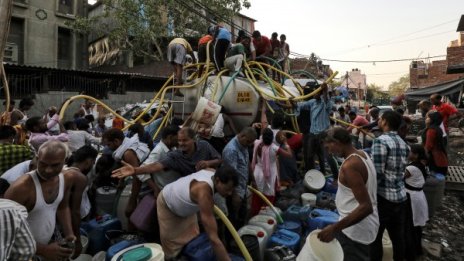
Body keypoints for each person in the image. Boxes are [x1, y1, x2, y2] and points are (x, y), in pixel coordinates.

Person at [4, 141, 75, 261]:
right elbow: (6, 231)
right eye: (43, 164)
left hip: (46, 245)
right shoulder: (21, 188)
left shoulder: (65, 179)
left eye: (55, 165)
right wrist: (43, 250)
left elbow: (63, 207)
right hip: (23, 253)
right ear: (37, 158)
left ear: (65, 161)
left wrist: (69, 233)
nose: (48, 170)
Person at [318, 127, 379, 261]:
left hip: (355, 232)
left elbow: (366, 206)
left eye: (328, 148)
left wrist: (334, 228)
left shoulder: (350, 165)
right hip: (365, 226)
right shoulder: (363, 154)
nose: (329, 152)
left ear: (337, 143)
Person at [157, 164, 237, 260]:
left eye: (232, 190)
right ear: (217, 180)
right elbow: (214, 238)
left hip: (185, 204)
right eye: (227, 189)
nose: (229, 193)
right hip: (168, 204)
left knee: (193, 237)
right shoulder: (203, 193)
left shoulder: (213, 172)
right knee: (173, 248)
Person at [369, 111, 410, 261]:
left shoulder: (380, 141)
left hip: (384, 198)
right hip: (401, 197)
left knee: (375, 237)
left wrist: (369, 195)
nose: (378, 121)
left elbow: (377, 173)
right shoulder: (404, 143)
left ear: (385, 122)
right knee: (398, 238)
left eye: (380, 119)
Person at [112, 127, 222, 179]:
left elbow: (219, 160)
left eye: (185, 140)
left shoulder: (204, 145)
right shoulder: (176, 156)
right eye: (179, 140)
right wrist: (135, 170)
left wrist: (208, 163)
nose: (181, 143)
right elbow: (156, 166)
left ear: (194, 139)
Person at [102, 128, 151, 228]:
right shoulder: (125, 146)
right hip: (140, 180)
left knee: (133, 214)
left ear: (116, 141)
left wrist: (131, 203)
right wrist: (121, 181)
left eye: (108, 144)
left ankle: (133, 233)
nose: (108, 148)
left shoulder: (128, 153)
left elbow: (137, 177)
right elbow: (126, 167)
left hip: (145, 183)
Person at [62, 145, 98, 258]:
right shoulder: (79, 177)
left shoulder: (63, 169)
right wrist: (77, 241)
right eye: (93, 162)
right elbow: (75, 211)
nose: (92, 165)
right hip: (74, 221)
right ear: (88, 161)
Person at [250, 128, 292, 215]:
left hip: (257, 173)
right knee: (269, 195)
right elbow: (289, 155)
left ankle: (254, 216)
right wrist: (285, 144)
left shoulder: (257, 143)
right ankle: (265, 215)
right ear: (272, 138)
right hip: (270, 174)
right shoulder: (274, 148)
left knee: (257, 196)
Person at [294, 83, 333, 174]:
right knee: (309, 155)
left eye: (316, 92)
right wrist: (293, 102)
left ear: (320, 93)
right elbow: (300, 105)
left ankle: (323, 173)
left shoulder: (325, 103)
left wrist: (325, 91)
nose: (314, 94)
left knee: (322, 156)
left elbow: (327, 101)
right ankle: (310, 174)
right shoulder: (312, 102)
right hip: (312, 134)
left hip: (322, 134)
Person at [222, 127, 257, 228]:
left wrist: (253, 180)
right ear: (242, 136)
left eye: (251, 142)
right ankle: (232, 241)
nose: (249, 145)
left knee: (242, 215)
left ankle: (240, 234)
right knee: (233, 219)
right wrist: (235, 194)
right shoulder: (231, 150)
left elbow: (247, 163)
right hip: (234, 191)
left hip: (242, 188)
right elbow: (231, 176)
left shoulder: (243, 145)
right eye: (248, 141)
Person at [137, 125, 180, 193]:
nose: (179, 142)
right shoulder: (158, 151)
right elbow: (141, 173)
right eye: (177, 140)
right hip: (166, 191)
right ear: (170, 137)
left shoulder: (172, 148)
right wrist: (155, 188)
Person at [404, 144, 428, 261]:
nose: (408, 154)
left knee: (410, 226)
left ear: (416, 155)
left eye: (410, 152)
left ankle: (410, 253)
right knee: (416, 226)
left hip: (412, 198)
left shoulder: (411, 168)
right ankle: (417, 250)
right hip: (418, 197)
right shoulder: (422, 165)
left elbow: (398, 177)